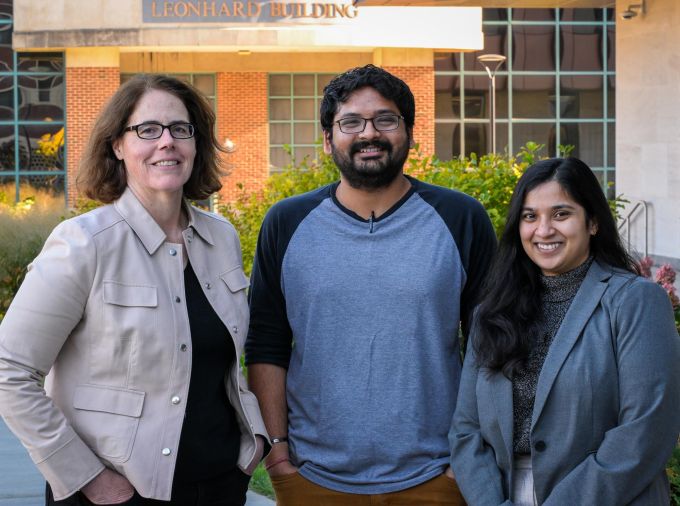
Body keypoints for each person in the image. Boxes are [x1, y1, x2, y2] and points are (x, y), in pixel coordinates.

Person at [0, 74, 268, 505]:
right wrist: (88, 478)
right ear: (117, 145)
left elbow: (226, 361)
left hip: (220, 481)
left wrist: (251, 444)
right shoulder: (84, 243)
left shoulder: (222, 238)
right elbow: (9, 370)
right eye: (147, 129)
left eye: (181, 129)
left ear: (196, 145)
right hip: (117, 492)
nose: (167, 142)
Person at [245, 64, 497, 505]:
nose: (369, 133)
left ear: (410, 133)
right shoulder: (286, 222)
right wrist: (278, 454)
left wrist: (464, 460)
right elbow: (267, 343)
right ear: (328, 139)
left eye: (386, 119)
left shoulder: (461, 218)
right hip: (312, 478)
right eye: (351, 122)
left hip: (438, 474)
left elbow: (491, 342)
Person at [449, 157, 680, 505]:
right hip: (505, 494)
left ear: (593, 223)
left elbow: (646, 431)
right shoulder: (491, 312)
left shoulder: (635, 301)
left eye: (561, 214)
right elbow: (466, 431)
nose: (543, 230)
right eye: (530, 216)